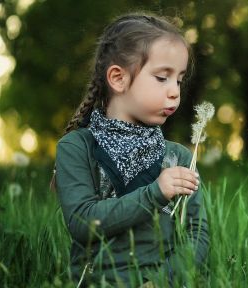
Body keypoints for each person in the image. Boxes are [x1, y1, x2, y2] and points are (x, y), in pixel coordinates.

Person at [53, 12, 209, 287]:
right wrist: (155, 193)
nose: (175, 91)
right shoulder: (76, 148)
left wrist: (161, 282)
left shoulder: (180, 158)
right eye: (162, 77)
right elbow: (83, 223)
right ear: (118, 78)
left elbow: (197, 234)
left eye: (179, 80)